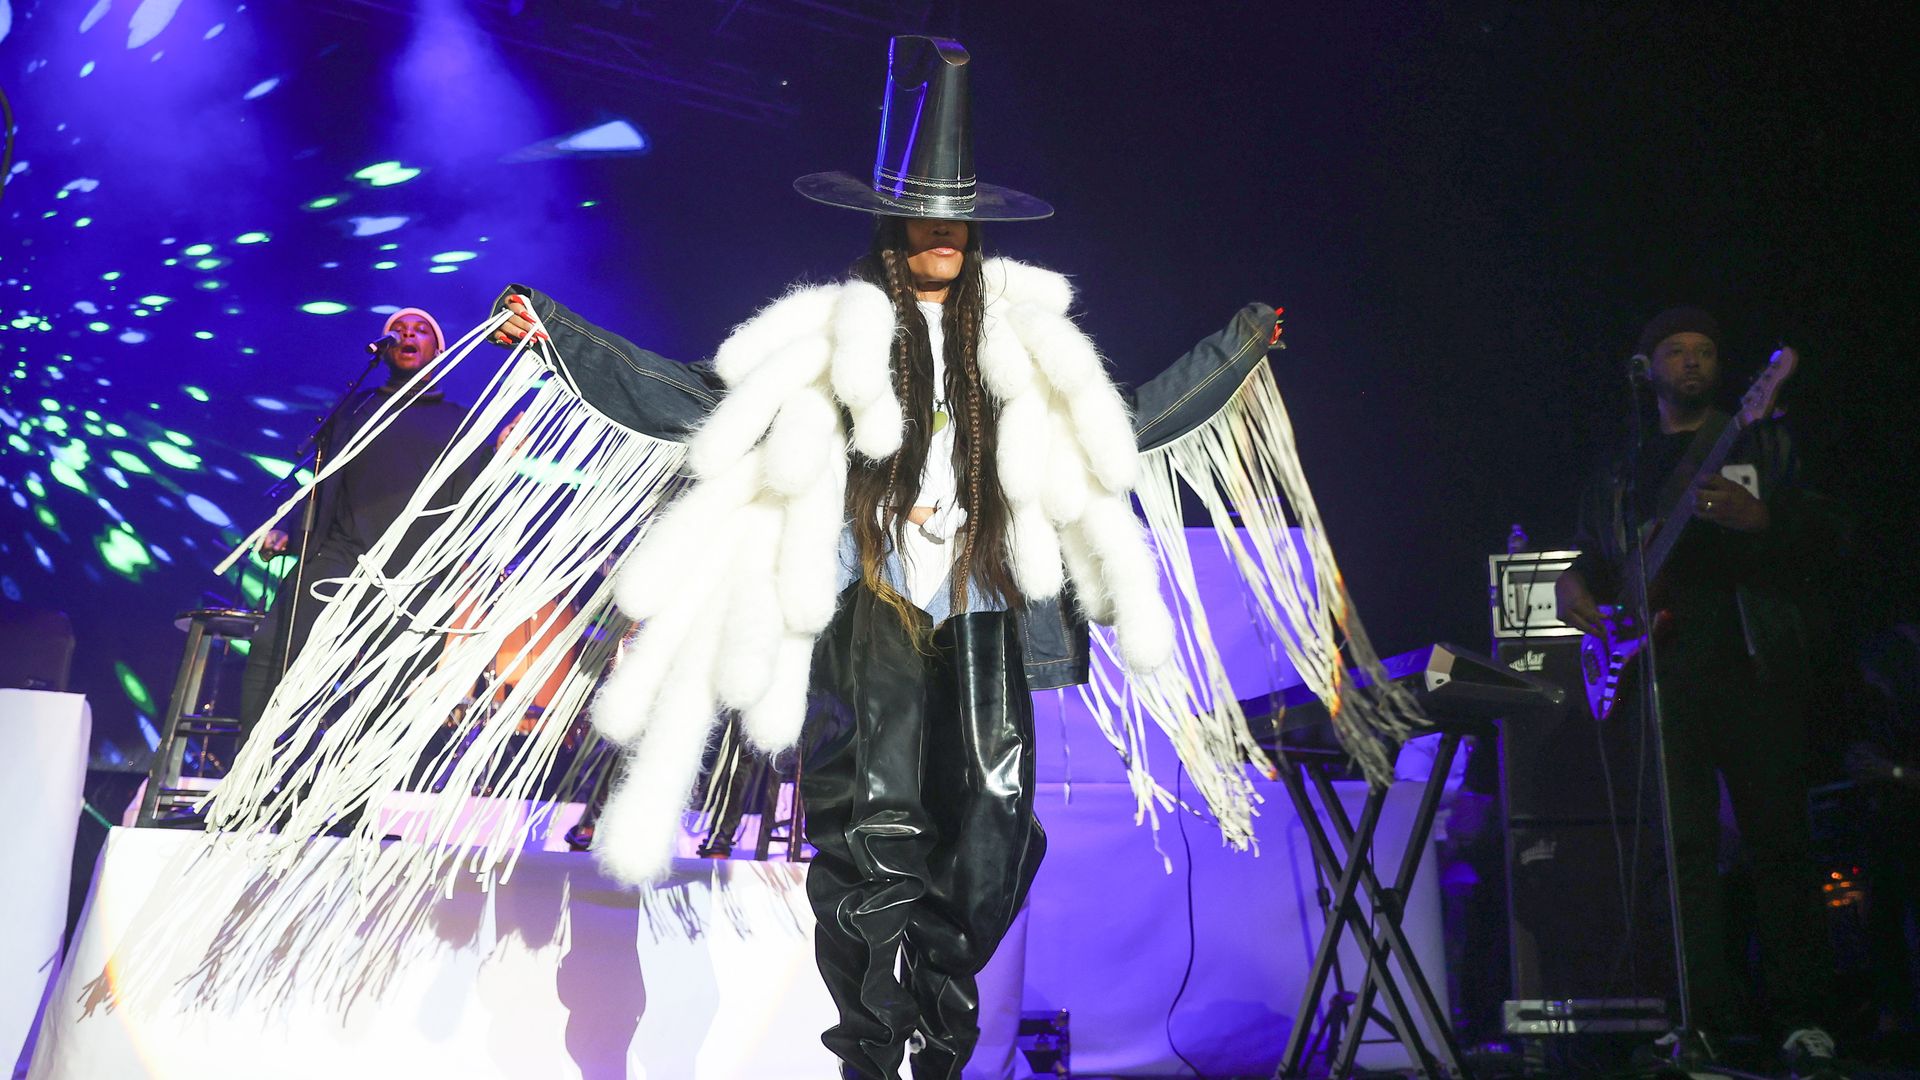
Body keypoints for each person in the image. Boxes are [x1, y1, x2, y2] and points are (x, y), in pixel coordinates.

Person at [493, 36, 1284, 1080]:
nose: (944, 232)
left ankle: (942, 1039)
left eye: (959, 218)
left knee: (996, 832)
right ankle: (870, 1056)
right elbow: (701, 402)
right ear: (891, 225)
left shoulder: (1027, 344)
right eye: (925, 213)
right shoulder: (830, 333)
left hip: (987, 602)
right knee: (873, 831)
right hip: (871, 600)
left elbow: (1119, 425)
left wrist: (1233, 353)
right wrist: (559, 334)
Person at [1555, 306, 1851, 1072]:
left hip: (1754, 672)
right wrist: (1574, 581)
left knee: (1780, 845)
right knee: (1679, 855)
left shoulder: (1761, 436)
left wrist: (1765, 521)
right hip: (1665, 679)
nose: (1692, 362)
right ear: (1647, 368)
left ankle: (1804, 1022)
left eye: (1707, 353)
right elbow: (1599, 552)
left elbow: (1831, 539)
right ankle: (1699, 1022)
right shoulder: (1623, 468)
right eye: (1676, 352)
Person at [239, 308, 481, 734]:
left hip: (413, 576)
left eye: (420, 330)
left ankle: (356, 801)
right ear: (385, 350)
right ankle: (249, 780)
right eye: (398, 331)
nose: (407, 335)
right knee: (274, 651)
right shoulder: (356, 409)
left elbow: (475, 493)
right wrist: (289, 530)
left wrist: (500, 449)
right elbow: (324, 481)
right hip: (340, 555)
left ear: (438, 351)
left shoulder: (459, 421)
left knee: (385, 692)